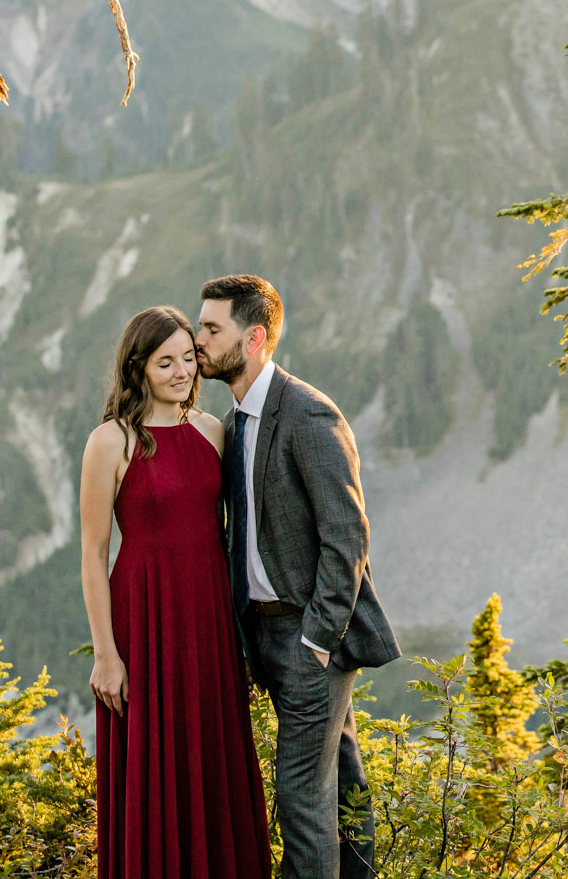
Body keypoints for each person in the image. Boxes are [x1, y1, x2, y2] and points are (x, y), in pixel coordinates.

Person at [195, 275, 399, 879]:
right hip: (268, 637)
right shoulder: (234, 424)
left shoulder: (310, 414)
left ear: (253, 337)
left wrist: (317, 640)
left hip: (310, 639)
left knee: (302, 803)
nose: (199, 339)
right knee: (343, 789)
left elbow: (348, 535)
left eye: (211, 328)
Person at [80, 305, 271, 879]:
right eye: (166, 362)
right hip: (143, 621)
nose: (183, 371)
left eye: (189, 358)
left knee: (210, 759)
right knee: (152, 764)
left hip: (207, 624)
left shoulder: (212, 430)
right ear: (137, 368)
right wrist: (107, 656)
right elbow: (92, 554)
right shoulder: (110, 441)